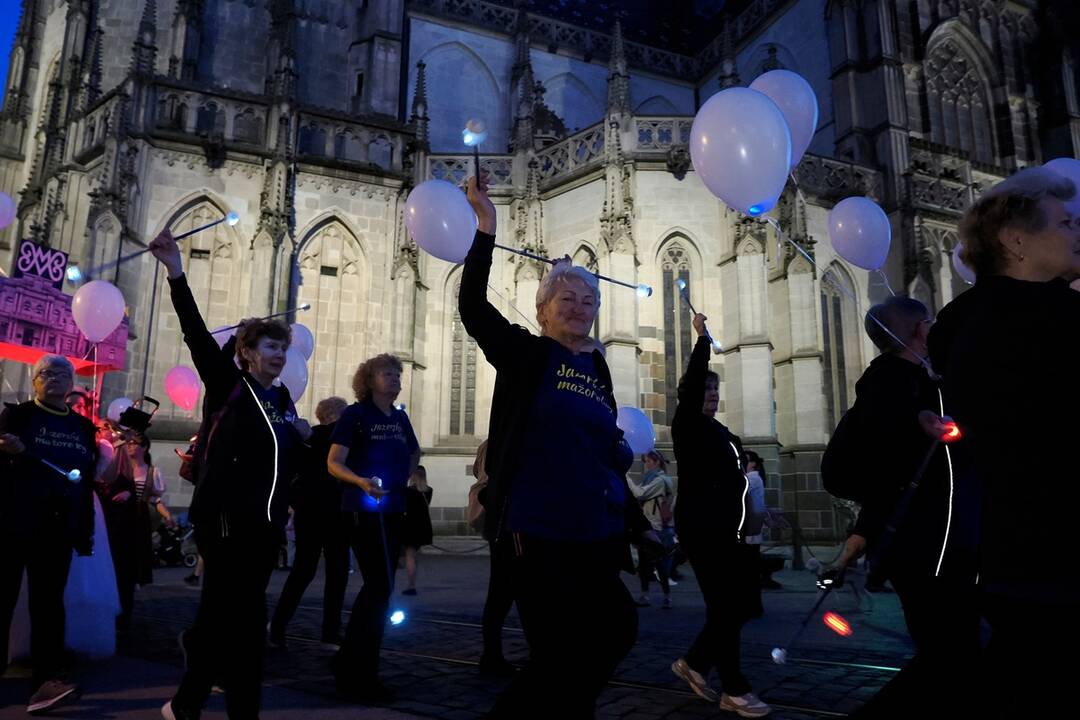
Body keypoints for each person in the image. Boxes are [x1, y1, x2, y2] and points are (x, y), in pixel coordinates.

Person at [459, 175, 644, 718]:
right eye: (567, 298)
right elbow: (473, 308)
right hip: (537, 529)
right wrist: (486, 225)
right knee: (559, 653)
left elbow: (603, 444)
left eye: (589, 300)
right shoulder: (528, 354)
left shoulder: (598, 367)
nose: (580, 306)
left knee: (615, 631)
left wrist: (629, 491)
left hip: (596, 529)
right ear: (542, 309)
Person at [927, 166, 1080, 716]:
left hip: (1006, 547)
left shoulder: (962, 319)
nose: (1076, 229)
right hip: (1059, 544)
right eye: (1064, 222)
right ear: (1016, 241)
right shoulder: (1054, 320)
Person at [149, 228, 312, 720]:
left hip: (263, 529)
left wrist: (304, 443)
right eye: (268, 347)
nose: (279, 355)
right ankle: (239, 711)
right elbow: (197, 335)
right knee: (243, 622)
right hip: (224, 522)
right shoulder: (229, 385)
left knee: (224, 621)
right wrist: (177, 271)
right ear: (246, 352)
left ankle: (186, 703)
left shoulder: (281, 399)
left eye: (282, 348)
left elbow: (283, 462)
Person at [669, 314, 771, 718]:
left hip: (729, 531)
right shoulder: (687, 425)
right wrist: (702, 342)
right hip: (703, 529)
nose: (710, 396)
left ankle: (695, 663)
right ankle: (734, 687)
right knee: (728, 607)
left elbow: (738, 483)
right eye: (704, 391)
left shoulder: (723, 434)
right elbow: (694, 384)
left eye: (714, 391)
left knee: (738, 605)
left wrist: (759, 514)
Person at [0, 355, 97, 713]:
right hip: (12, 522)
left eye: (62, 374)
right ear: (35, 381)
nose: (54, 378)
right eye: (46, 374)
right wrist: (9, 453)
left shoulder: (84, 429)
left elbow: (84, 486)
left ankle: (44, 683)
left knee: (49, 607)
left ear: (71, 383)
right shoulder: (19, 416)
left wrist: (83, 531)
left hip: (57, 529)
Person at [328, 354, 420, 702]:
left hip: (393, 508)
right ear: (369, 380)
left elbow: (414, 451)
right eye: (387, 373)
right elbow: (333, 463)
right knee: (379, 588)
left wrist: (405, 475)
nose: (395, 378)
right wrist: (361, 481)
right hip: (362, 510)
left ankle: (348, 661)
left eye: (398, 373)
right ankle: (359, 673)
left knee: (380, 589)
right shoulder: (355, 415)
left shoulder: (399, 418)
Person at [269, 396, 350, 649]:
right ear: (335, 415)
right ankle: (329, 632)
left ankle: (279, 627)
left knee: (303, 571)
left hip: (310, 513)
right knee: (336, 573)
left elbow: (291, 472)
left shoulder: (306, 438)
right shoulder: (333, 437)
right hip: (333, 513)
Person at [98, 432, 174, 632]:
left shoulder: (151, 472)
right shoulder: (118, 467)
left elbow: (154, 499)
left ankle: (124, 619)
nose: (131, 446)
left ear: (145, 448)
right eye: (129, 443)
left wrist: (167, 515)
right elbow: (104, 481)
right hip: (116, 523)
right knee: (114, 569)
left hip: (137, 524)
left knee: (129, 573)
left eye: (135, 443)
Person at [471, 440, 516, 677]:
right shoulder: (502, 443)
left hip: (499, 522)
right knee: (505, 592)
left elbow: (478, 471)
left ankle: (492, 653)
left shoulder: (489, 443)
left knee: (500, 592)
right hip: (509, 521)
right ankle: (492, 655)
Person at [629, 450, 675, 609]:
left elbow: (640, 493)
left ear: (657, 463)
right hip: (648, 523)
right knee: (644, 563)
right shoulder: (651, 479)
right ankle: (645, 595)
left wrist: (626, 477)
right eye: (645, 461)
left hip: (655, 525)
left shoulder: (660, 480)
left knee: (659, 562)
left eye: (648, 461)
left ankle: (666, 596)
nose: (646, 464)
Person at [401, 466, 434, 596]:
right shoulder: (429, 490)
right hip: (423, 526)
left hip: (410, 526)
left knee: (409, 556)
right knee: (414, 556)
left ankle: (411, 585)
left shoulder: (409, 491)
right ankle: (412, 583)